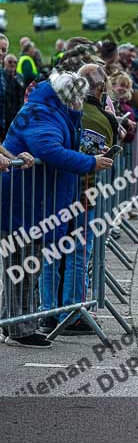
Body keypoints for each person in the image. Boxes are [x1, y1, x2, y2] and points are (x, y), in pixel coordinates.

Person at [1, 72, 113, 348]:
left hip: (33, 201)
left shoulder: (48, 109)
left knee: (28, 266)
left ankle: (13, 322)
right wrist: (89, 162)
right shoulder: (42, 112)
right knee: (23, 266)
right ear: (69, 96)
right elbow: (49, 149)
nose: (81, 102)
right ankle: (19, 329)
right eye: (78, 97)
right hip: (24, 203)